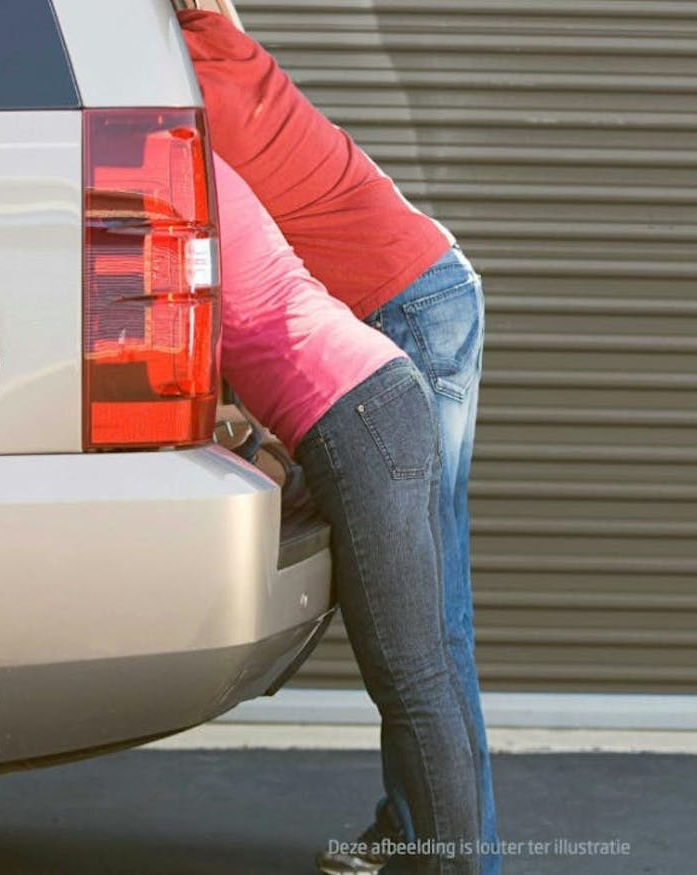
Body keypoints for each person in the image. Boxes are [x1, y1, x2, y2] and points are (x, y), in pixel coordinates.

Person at [179, 11, 499, 875]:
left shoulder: (191, 86)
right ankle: (414, 824)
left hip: (410, 314)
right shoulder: (203, 56)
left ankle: (459, 850)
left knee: (429, 634)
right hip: (394, 320)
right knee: (419, 630)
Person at [212, 152, 479, 875]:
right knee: (423, 669)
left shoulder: (182, 185)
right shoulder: (206, 175)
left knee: (411, 675)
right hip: (377, 398)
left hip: (360, 419)